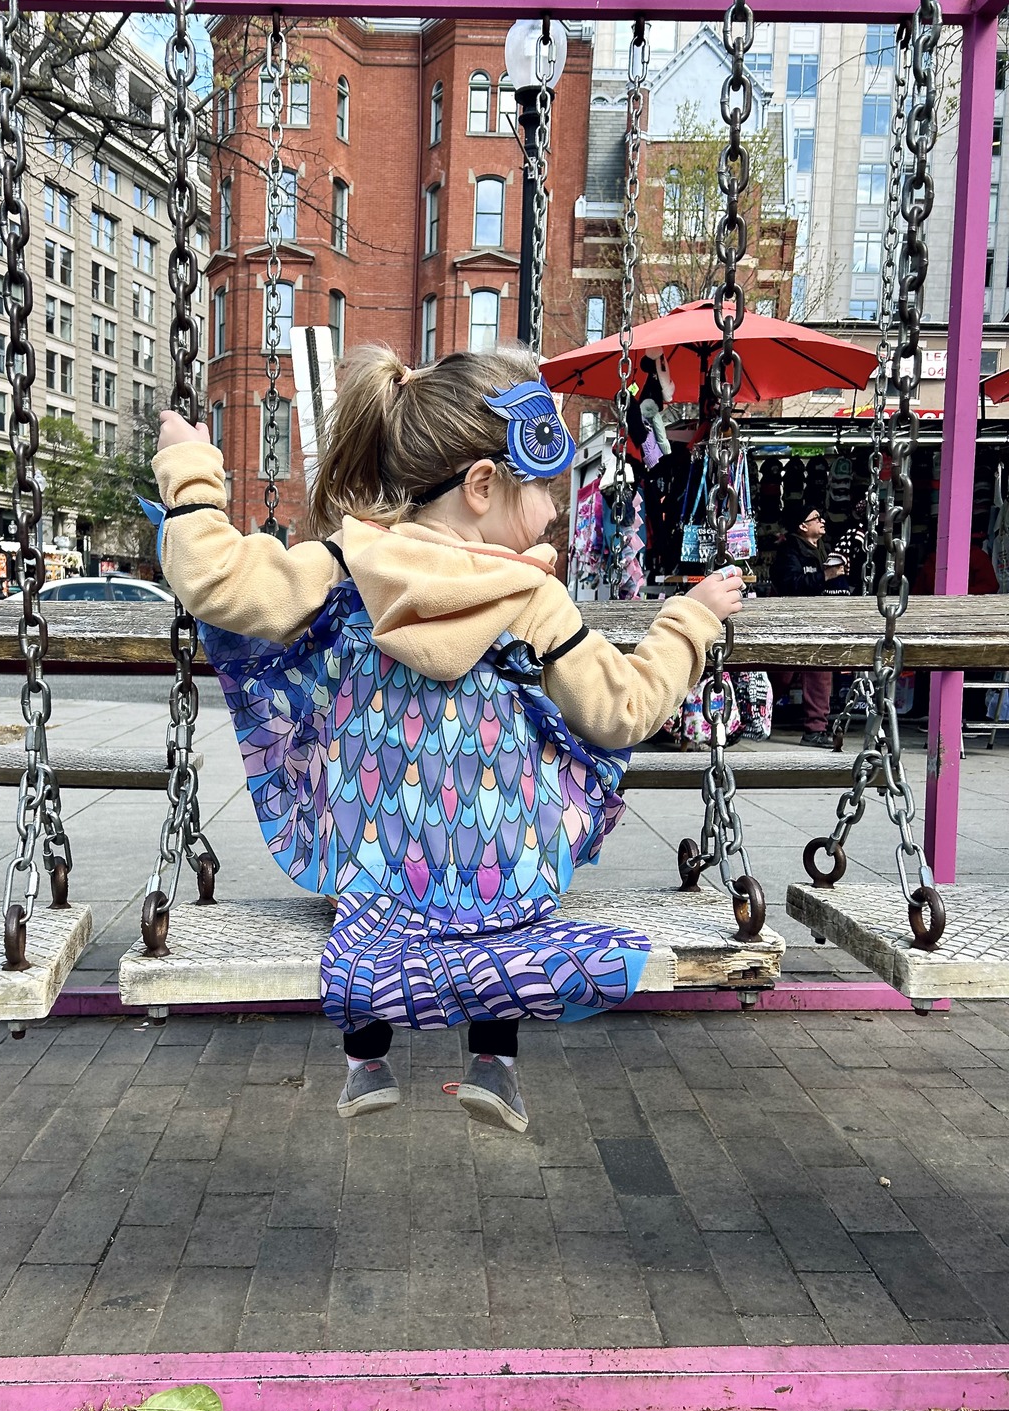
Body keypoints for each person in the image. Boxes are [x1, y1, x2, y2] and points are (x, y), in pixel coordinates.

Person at [152, 346, 742, 1132]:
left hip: (372, 869)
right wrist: (690, 618)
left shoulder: (347, 559)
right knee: (513, 909)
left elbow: (217, 583)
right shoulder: (533, 595)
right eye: (543, 492)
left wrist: (191, 467)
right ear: (483, 486)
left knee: (367, 894)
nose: (555, 514)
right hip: (503, 873)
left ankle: (365, 1062)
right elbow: (621, 711)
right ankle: (494, 1062)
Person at [770, 500, 844, 748]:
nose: (822, 521)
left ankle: (816, 729)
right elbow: (790, 585)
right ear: (803, 526)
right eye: (816, 517)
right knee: (780, 676)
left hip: (819, 621)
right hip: (791, 623)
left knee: (820, 673)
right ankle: (758, 715)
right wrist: (825, 576)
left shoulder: (824, 549)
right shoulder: (788, 552)